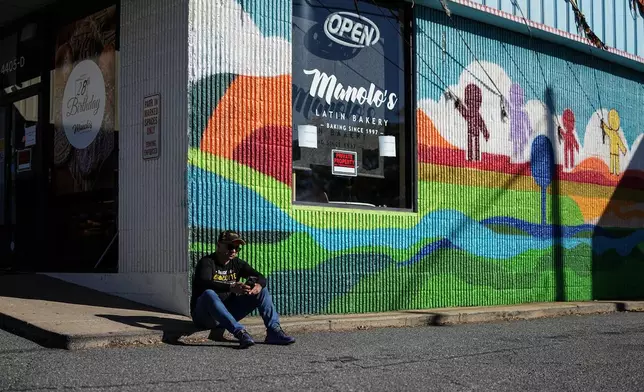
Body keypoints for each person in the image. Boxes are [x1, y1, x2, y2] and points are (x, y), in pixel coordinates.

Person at [190, 230, 295, 348]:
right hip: (205, 317)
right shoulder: (206, 262)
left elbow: (260, 277)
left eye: (237, 248)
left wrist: (258, 286)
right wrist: (231, 287)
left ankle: (274, 331)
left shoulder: (237, 264)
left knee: (262, 291)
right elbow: (204, 283)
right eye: (230, 247)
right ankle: (239, 332)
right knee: (209, 293)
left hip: (227, 313)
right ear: (219, 245)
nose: (234, 251)